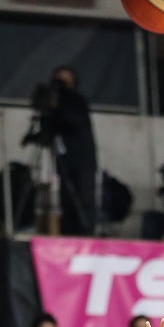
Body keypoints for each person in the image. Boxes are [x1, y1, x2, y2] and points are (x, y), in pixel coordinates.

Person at [37, 65, 97, 237]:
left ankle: (86, 234)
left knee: (84, 199)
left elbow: (75, 121)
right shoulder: (54, 104)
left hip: (83, 160)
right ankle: (69, 235)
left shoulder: (77, 101)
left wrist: (57, 108)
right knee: (66, 202)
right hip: (64, 161)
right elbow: (48, 132)